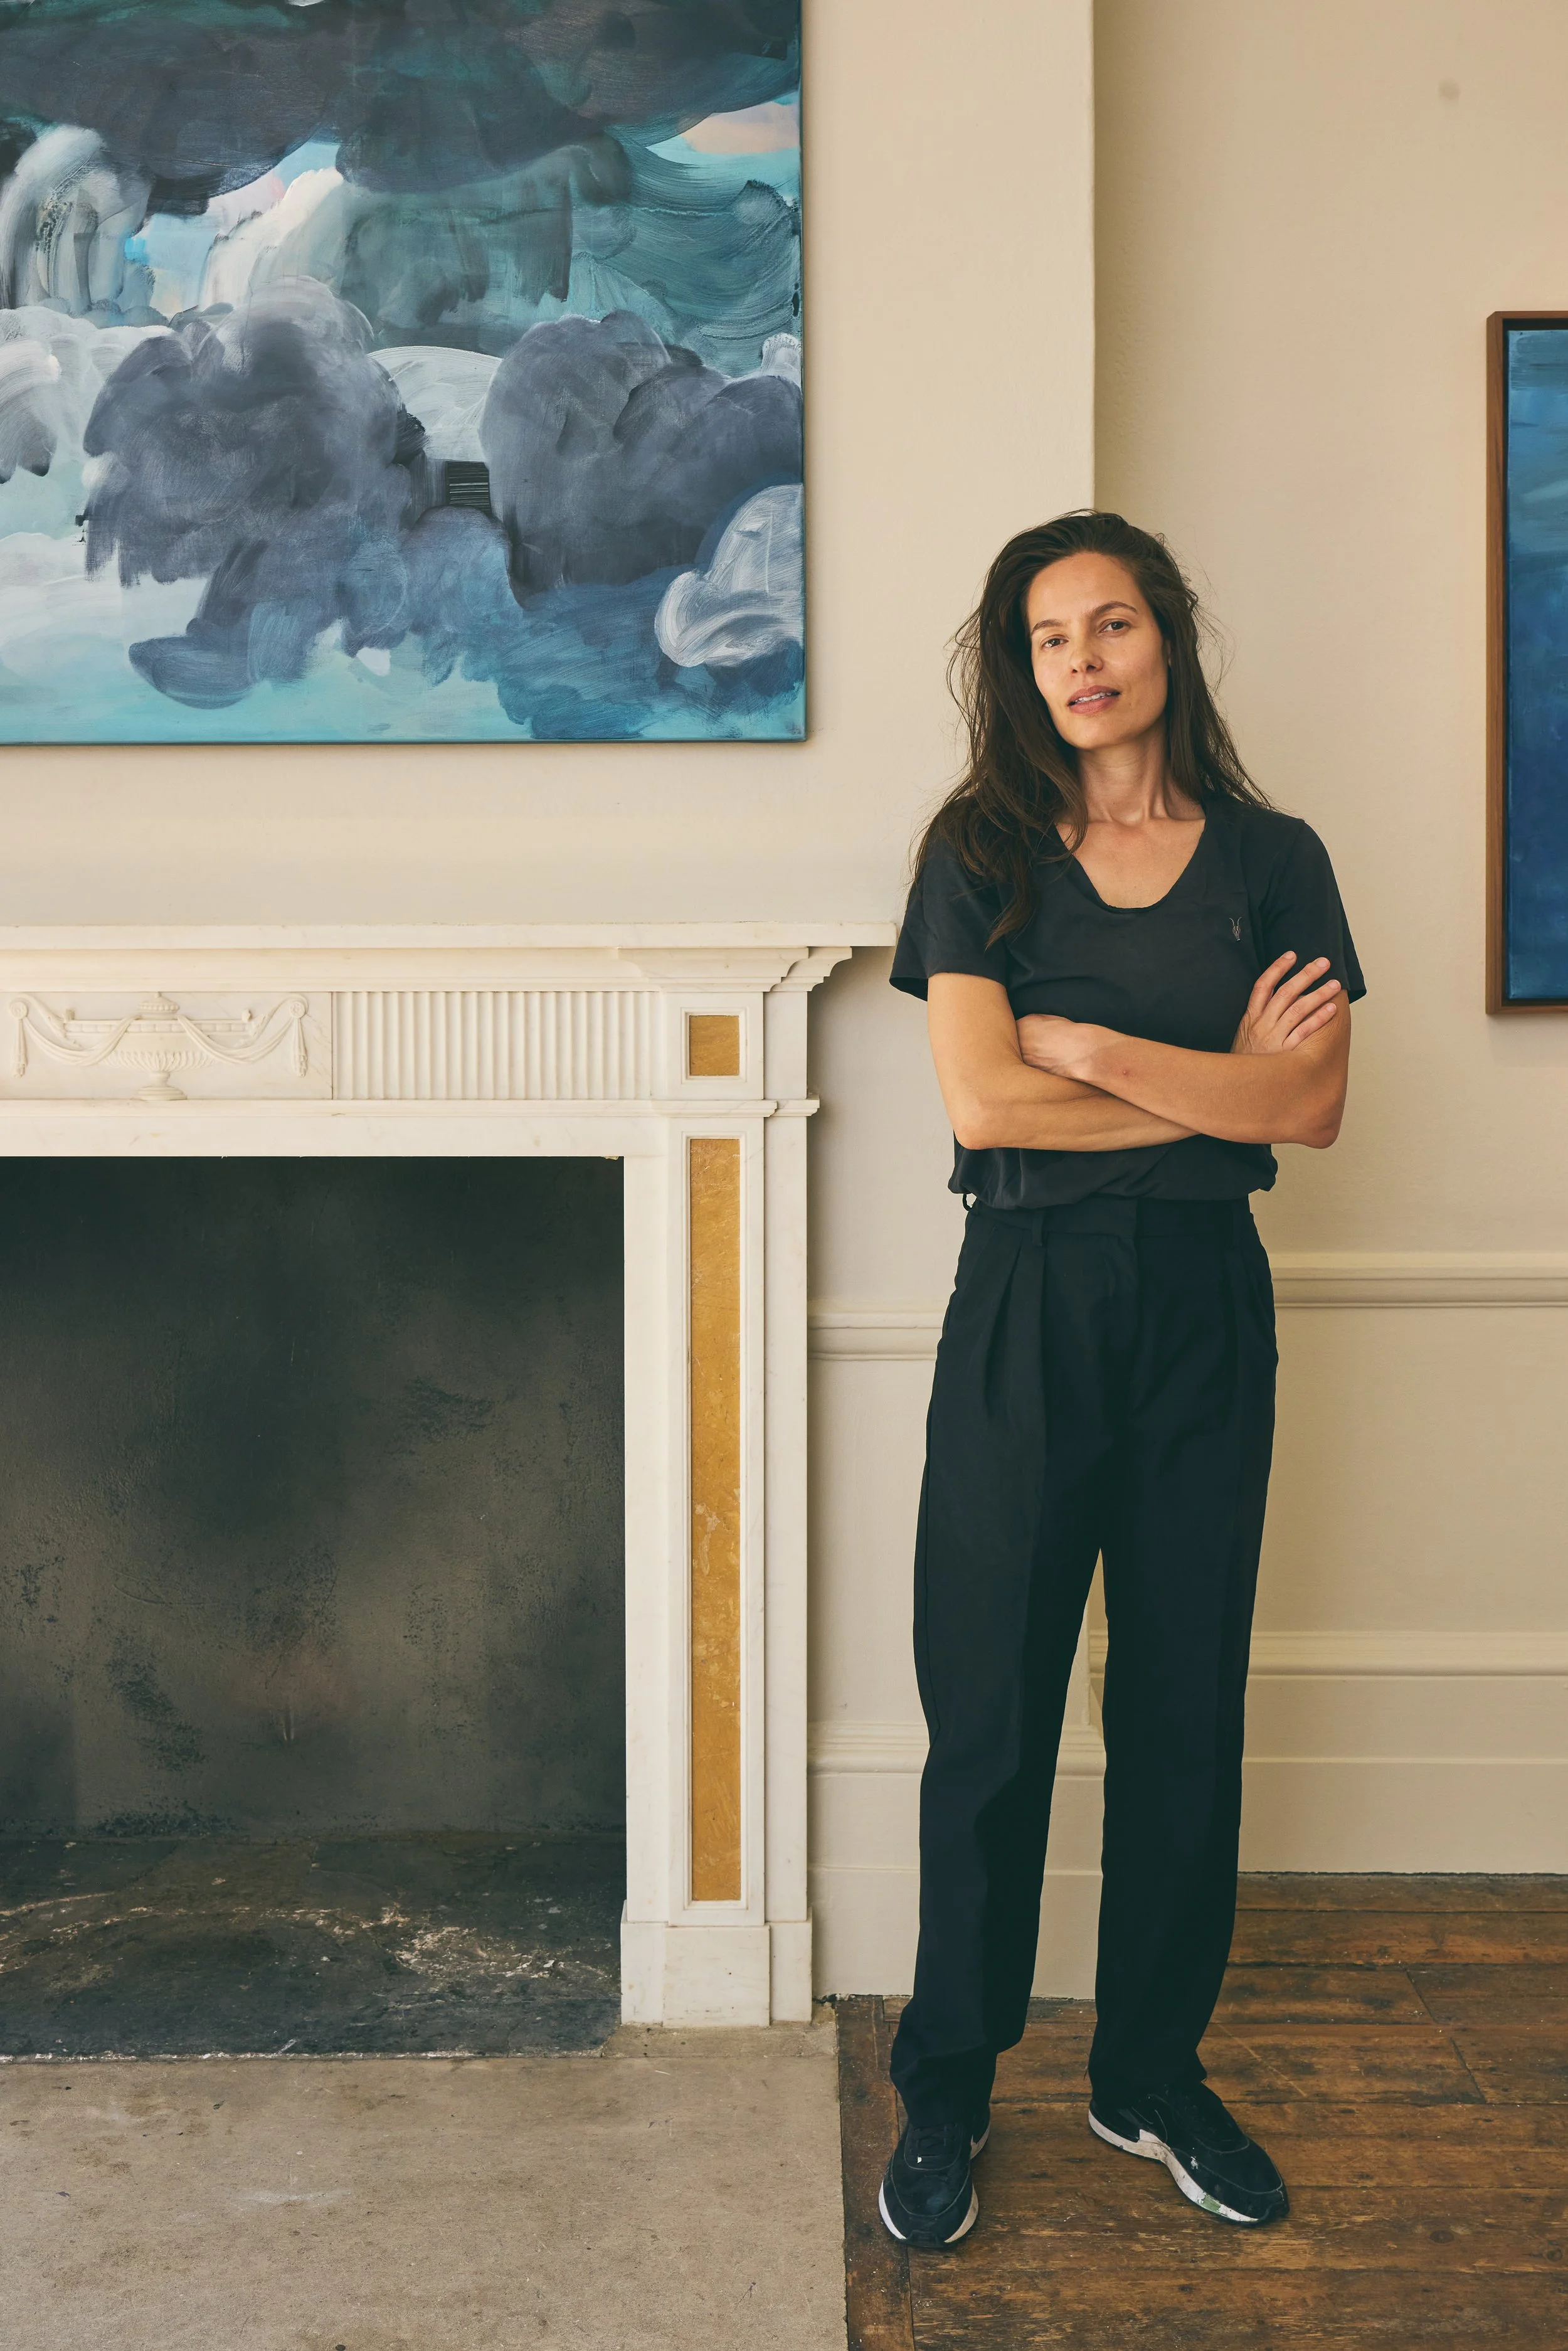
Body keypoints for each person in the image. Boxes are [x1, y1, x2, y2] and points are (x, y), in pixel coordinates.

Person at [878, 511, 1363, 2249]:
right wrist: (1196, 1076)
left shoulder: (1272, 860)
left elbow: (1304, 1109)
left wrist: (1079, 1039)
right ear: (1020, 671)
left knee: (1179, 1710)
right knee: (990, 1721)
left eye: (1110, 626)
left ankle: (1148, 2068)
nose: (1080, 662)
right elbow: (982, 1108)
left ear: (1166, 640)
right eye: (1045, 638)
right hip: (1024, 1302)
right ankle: (946, 2082)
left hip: (1200, 1315)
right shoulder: (978, 852)